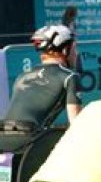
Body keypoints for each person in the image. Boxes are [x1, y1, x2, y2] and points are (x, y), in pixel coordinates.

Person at [0, 25, 82, 154]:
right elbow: (76, 124)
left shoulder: (22, 76)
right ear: (65, 50)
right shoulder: (69, 77)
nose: (76, 53)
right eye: (74, 48)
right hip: (29, 141)